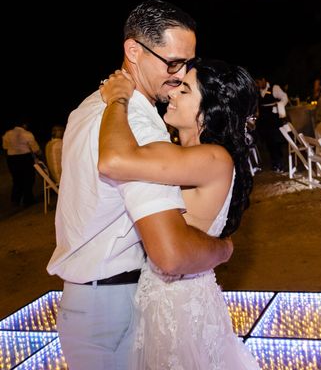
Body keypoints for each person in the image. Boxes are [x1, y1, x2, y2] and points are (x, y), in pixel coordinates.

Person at [46, 0, 233, 370]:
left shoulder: (88, 107)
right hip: (115, 308)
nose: (180, 75)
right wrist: (225, 249)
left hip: (85, 303)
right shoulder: (139, 126)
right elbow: (172, 253)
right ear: (133, 50)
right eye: (173, 62)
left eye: (187, 64)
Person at [99, 59, 260, 368]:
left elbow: (113, 160)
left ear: (209, 110)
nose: (172, 93)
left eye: (185, 89)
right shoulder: (190, 154)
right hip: (166, 298)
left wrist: (117, 98)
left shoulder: (213, 157)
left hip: (180, 308)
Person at [2, 120, 40, 207]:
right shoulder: (27, 134)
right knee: (29, 178)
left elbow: (5, 146)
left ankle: (15, 199)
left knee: (17, 179)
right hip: (25, 158)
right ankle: (28, 199)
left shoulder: (7, 134)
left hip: (12, 159)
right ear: (24, 125)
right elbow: (35, 148)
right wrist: (38, 153)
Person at [256, 75, 288, 172]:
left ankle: (280, 163)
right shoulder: (257, 91)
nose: (257, 85)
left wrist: (278, 107)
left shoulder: (274, 88)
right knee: (268, 142)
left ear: (263, 79)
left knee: (276, 142)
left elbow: (285, 98)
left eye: (258, 82)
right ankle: (274, 163)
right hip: (263, 120)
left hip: (273, 119)